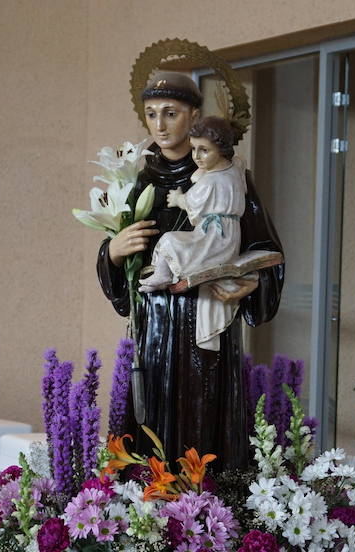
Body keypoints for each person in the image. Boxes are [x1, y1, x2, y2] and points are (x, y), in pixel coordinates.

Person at [97, 72, 284, 471]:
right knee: (151, 417)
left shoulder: (230, 177)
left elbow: (266, 251)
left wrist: (251, 283)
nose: (160, 125)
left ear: (194, 115)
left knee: (203, 416)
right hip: (154, 325)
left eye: (171, 113)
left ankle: (204, 512)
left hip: (206, 320)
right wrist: (113, 251)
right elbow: (119, 260)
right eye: (151, 114)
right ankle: (148, 516)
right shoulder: (137, 179)